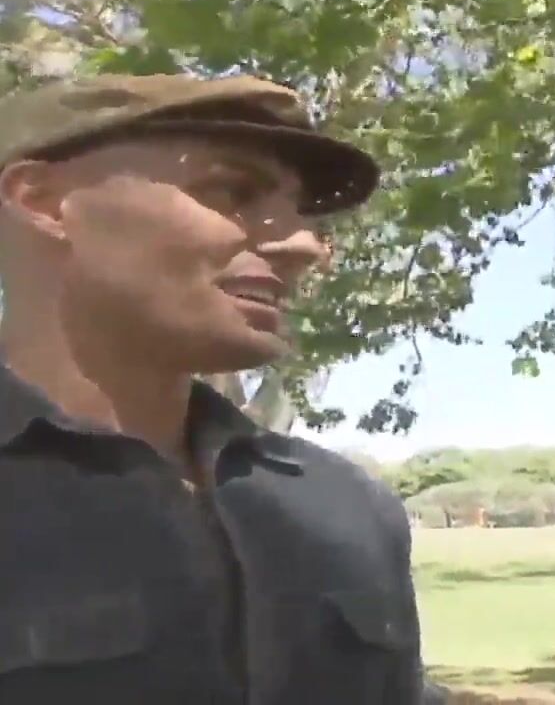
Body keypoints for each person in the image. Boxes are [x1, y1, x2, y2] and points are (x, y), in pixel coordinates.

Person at [0, 74, 437, 704]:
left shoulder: (346, 506)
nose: (304, 244)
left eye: (302, 210)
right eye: (233, 190)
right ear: (42, 201)